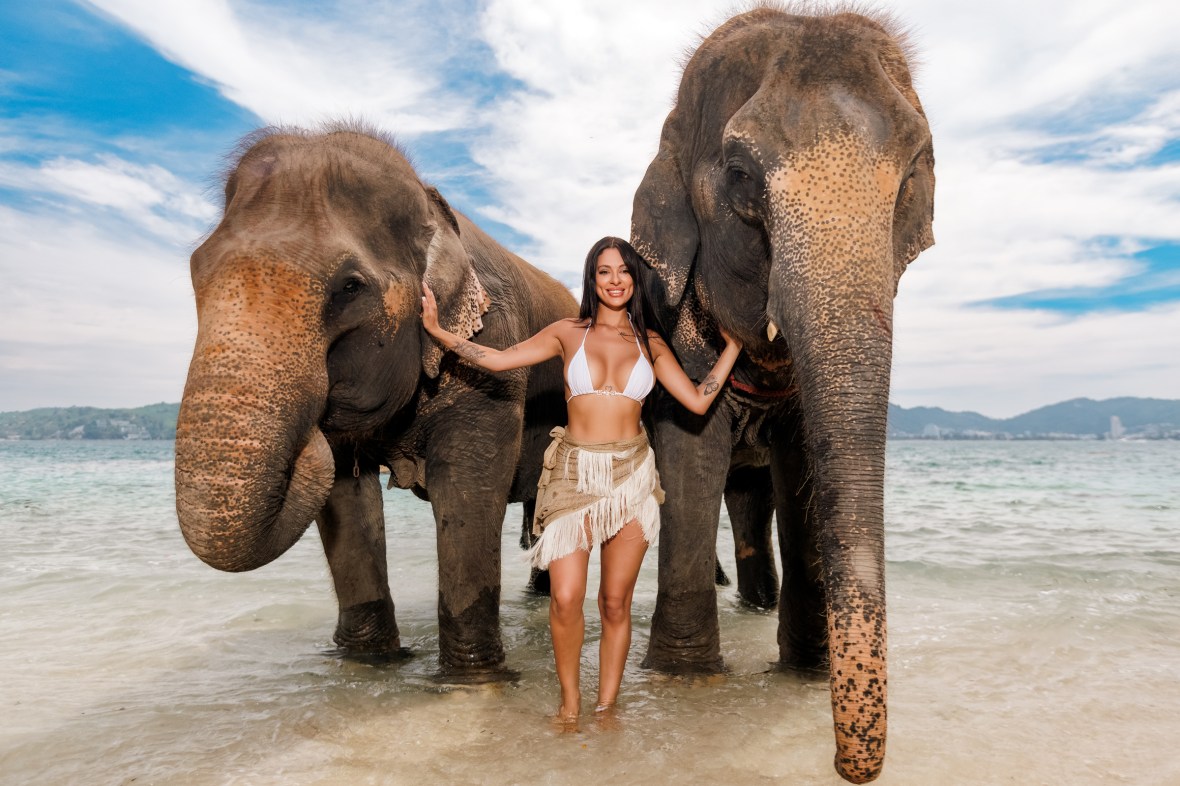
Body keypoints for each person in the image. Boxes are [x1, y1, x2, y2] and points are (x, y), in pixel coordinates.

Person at [420, 236, 742, 722]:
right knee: (566, 597)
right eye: (604, 272)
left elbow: (697, 400)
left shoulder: (651, 344)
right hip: (572, 473)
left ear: (635, 280)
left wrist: (734, 347)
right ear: (592, 279)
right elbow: (499, 360)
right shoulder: (567, 332)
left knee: (615, 603)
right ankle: (570, 704)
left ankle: (607, 707)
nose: (616, 281)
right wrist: (439, 333)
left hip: (632, 478)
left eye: (624, 272)